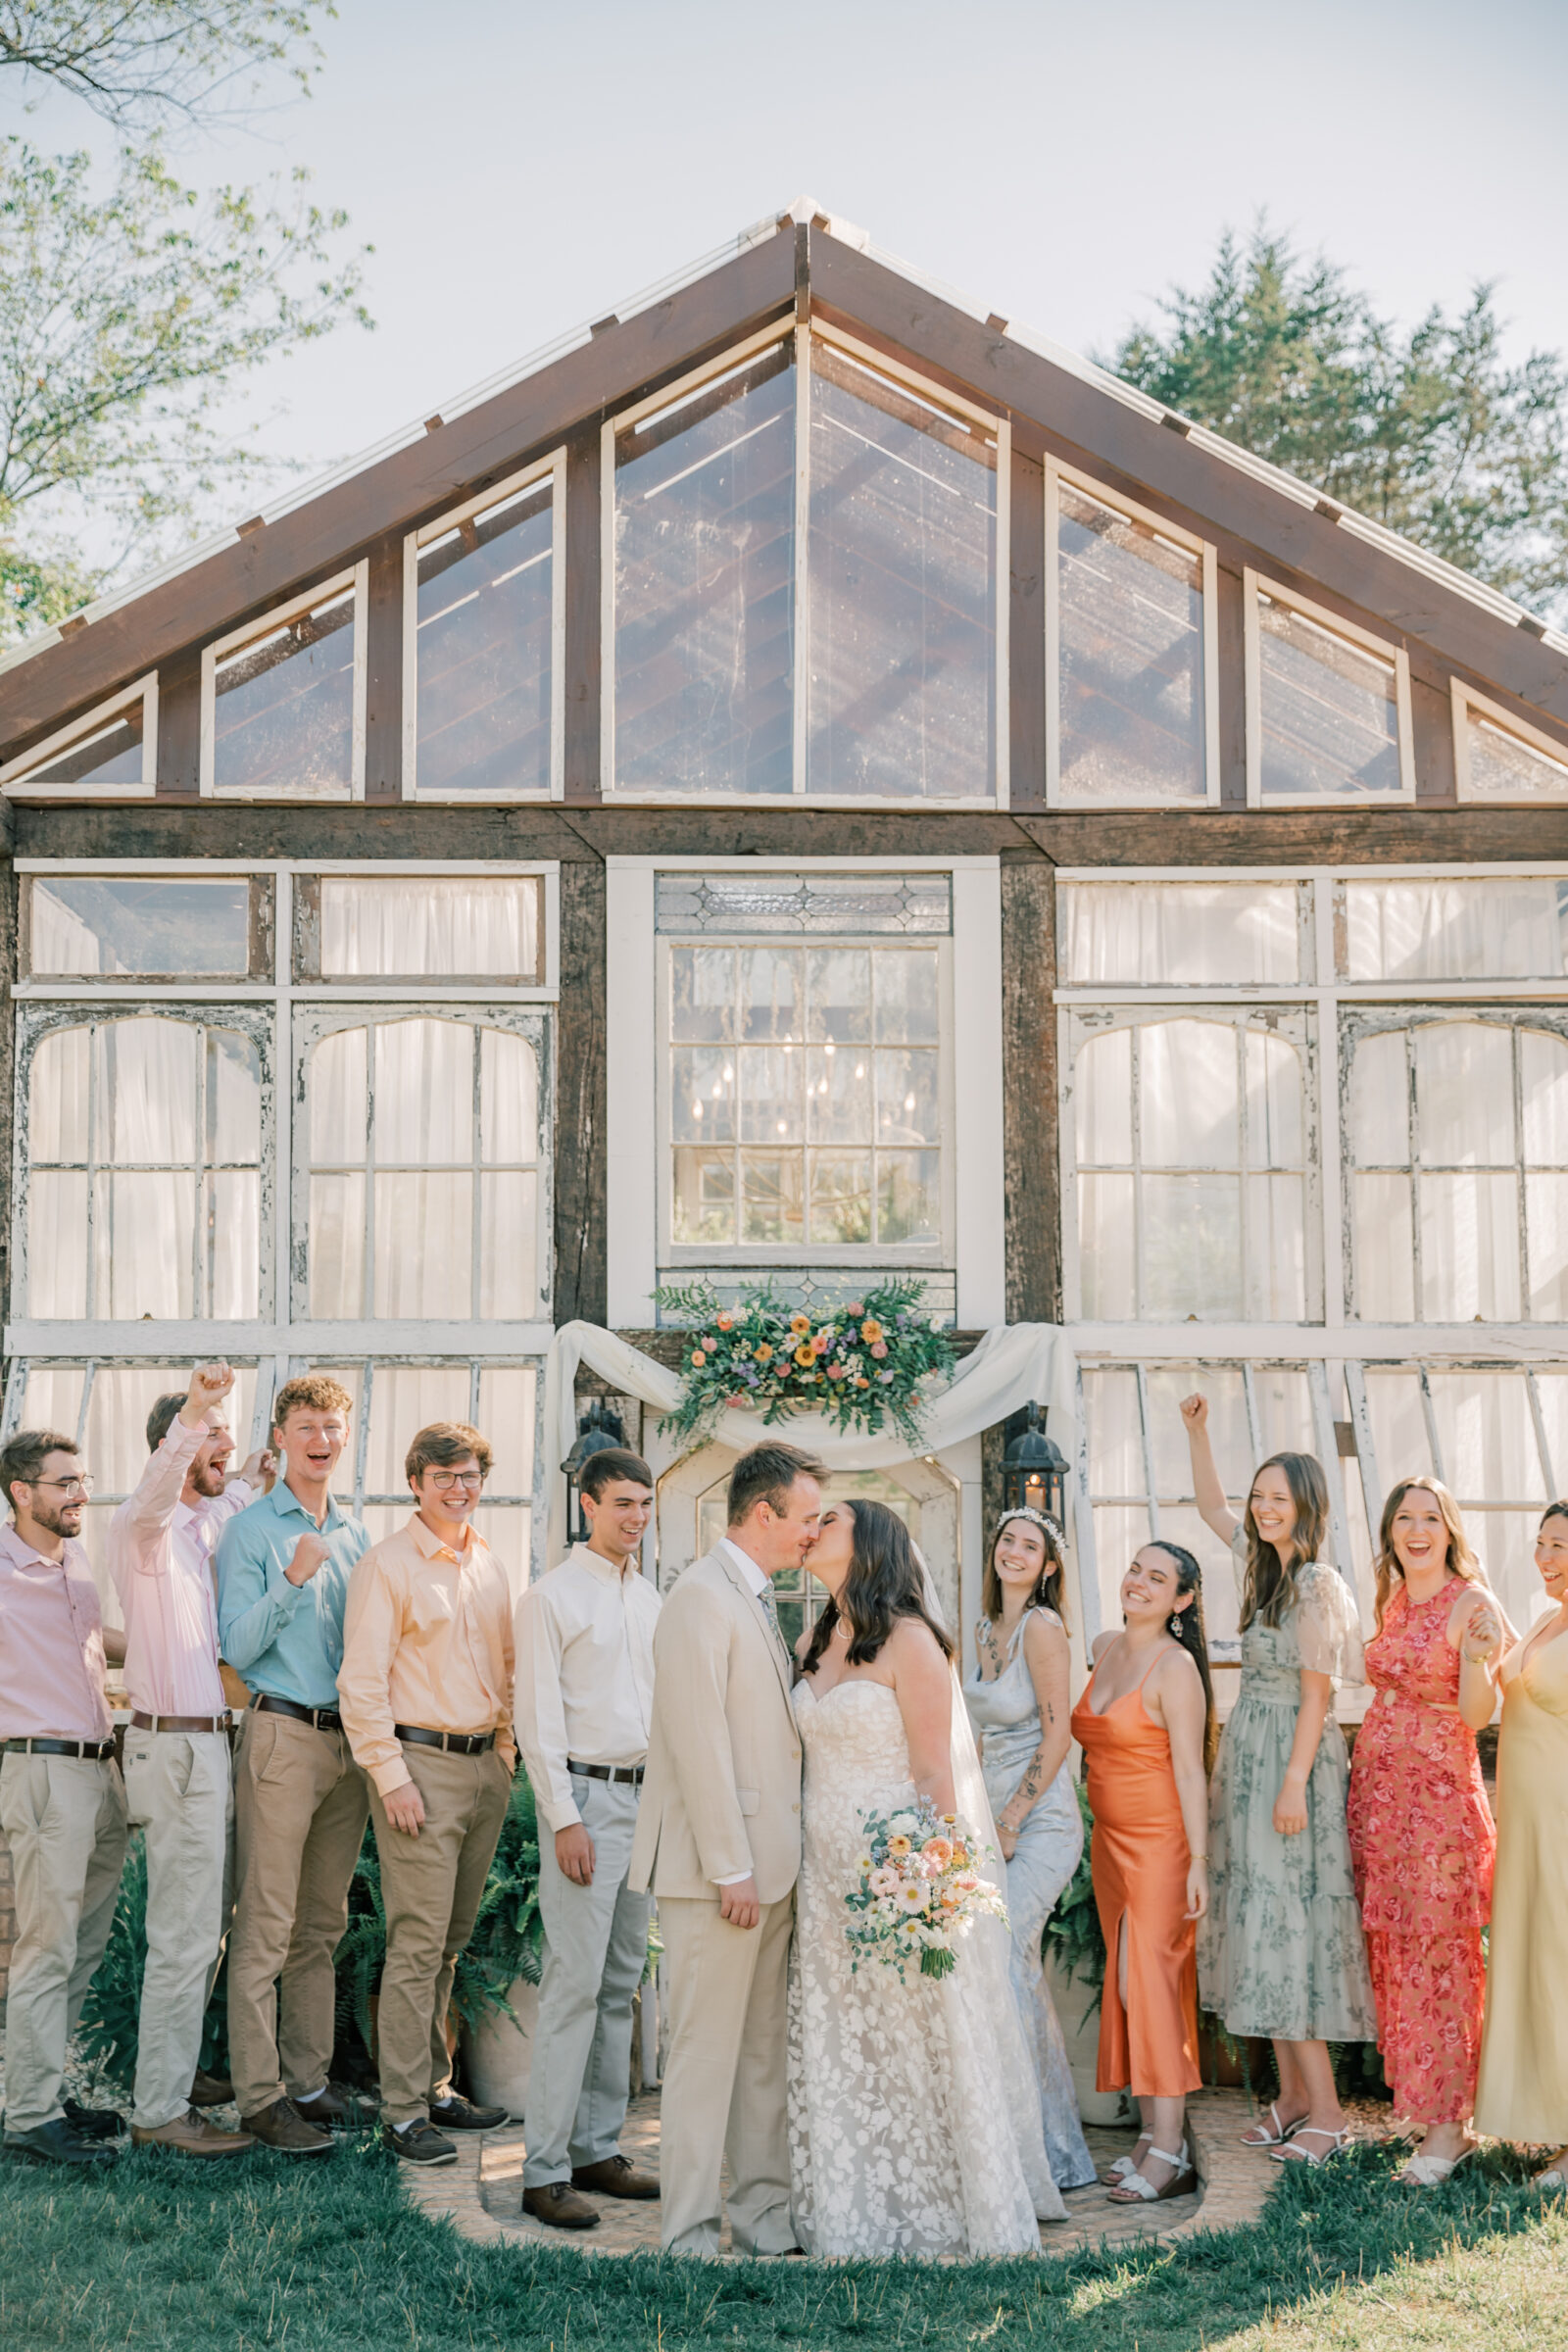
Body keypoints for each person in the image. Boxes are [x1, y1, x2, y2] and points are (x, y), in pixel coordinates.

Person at [790, 1497, 1065, 2258]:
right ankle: (855, 2202)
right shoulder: (818, 1633)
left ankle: (938, 2199)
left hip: (893, 1878)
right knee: (849, 2042)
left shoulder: (912, 1642)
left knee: (914, 2038)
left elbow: (934, 1772)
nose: (811, 1530)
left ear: (870, 1542)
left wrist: (927, 1884)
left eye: (829, 1520)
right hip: (822, 1881)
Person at [627, 1440, 822, 2258]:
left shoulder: (756, 1598)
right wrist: (730, 1866)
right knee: (704, 2058)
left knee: (760, 2059)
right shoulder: (700, 1598)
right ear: (765, 1512)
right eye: (807, 1519)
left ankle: (765, 2220)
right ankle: (689, 2235)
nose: (814, 1533)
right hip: (723, 1877)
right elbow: (698, 1740)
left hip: (769, 1871)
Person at [1178, 1397, 1377, 2171]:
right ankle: (1292, 2097)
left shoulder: (1317, 1585)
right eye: (1260, 1497)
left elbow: (1320, 1697)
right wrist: (1199, 1430)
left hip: (1293, 1763)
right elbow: (1207, 1505)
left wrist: (1292, 1785)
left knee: (1290, 1929)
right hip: (1252, 1754)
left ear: (1307, 1508)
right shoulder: (1260, 1567)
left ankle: (1327, 2110)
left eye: (1277, 1499)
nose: (1262, 1509)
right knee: (1261, 1923)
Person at [106, 1361, 273, 2159]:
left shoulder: (205, 1526)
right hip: (172, 1745)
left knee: (202, 1928)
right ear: (171, 1451)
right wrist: (198, 1415)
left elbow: (223, 1494)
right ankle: (160, 2110)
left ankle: (175, 2075)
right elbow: (168, 1484)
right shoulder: (145, 1531)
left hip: (210, 1743)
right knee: (181, 1933)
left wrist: (244, 1473)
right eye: (212, 1444)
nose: (223, 1452)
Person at [338, 1421, 515, 2168]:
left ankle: (437, 2087)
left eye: (469, 1474)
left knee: (449, 1943)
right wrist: (392, 1776)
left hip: (482, 1768)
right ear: (416, 1481)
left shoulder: (490, 1564)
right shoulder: (388, 1567)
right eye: (443, 1475)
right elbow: (361, 1682)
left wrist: (505, 1751)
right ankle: (403, 2114)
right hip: (420, 1766)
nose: (458, 1487)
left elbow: (506, 1666)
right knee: (415, 1946)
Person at [216, 1373, 370, 2155]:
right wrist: (293, 1578)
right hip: (279, 1735)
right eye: (306, 1425)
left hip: (348, 1748)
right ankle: (258, 2096)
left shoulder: (359, 1536)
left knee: (322, 1924)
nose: (320, 1439)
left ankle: (309, 2083)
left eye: (333, 1427)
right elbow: (236, 1648)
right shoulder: (250, 1532)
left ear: (345, 1439)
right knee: (267, 1925)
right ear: (280, 1437)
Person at [515, 1446, 662, 2230]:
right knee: (574, 1987)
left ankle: (596, 2150)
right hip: (586, 1803)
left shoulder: (652, 1600)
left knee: (619, 1986)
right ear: (588, 1506)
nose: (635, 1518)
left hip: (646, 1806)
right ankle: (542, 2174)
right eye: (622, 1504)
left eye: (644, 1504)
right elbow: (536, 1721)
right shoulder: (551, 1597)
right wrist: (564, 1817)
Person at [1346, 1476, 1503, 2188]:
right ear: (1390, 1531)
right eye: (1404, 1518)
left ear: (1450, 1529)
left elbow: (1476, 1716)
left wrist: (1474, 1657)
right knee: (1401, 1956)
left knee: (1444, 1959)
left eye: (1429, 1518)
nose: (1416, 1530)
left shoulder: (1471, 1603)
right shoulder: (1389, 1596)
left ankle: (1452, 2129)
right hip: (1382, 1803)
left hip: (1439, 1812)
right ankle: (1427, 2111)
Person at [0, 1428, 130, 2168]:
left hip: (98, 1768)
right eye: (65, 1483)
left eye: (81, 1481)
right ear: (22, 1492)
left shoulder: (71, 1558)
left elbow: (86, 1643)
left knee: (84, 1944)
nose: (81, 1493)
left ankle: (45, 2088)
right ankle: (28, 2119)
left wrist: (167, 1645)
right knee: (46, 1947)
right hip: (43, 1769)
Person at [1070, 1541, 1214, 2205]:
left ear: (1182, 1600)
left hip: (1160, 1846)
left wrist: (1200, 1863)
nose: (1139, 1582)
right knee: (1131, 1989)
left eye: (1158, 1578)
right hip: (1111, 1845)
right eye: (1134, 1569)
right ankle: (1153, 2134)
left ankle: (1171, 2149)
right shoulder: (1106, 1645)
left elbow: (1190, 1768)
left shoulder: (1174, 1666)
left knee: (1151, 1984)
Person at [962, 1506, 1098, 2191]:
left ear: (1049, 1568)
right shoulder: (985, 1629)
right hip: (987, 1821)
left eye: (1029, 1546)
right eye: (1006, 1540)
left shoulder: (1043, 1629)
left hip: (1037, 1824)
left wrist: (1012, 1817)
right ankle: (1021, 2140)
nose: (1013, 1551)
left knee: (1005, 1955)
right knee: (1003, 1968)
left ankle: (1040, 2153)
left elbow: (1058, 1736)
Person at [1465, 1503, 1568, 2191]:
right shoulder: (1544, 1621)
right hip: (1527, 1822)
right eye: (1541, 1544)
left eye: (1560, 1545)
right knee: (1536, 1961)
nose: (1545, 1558)